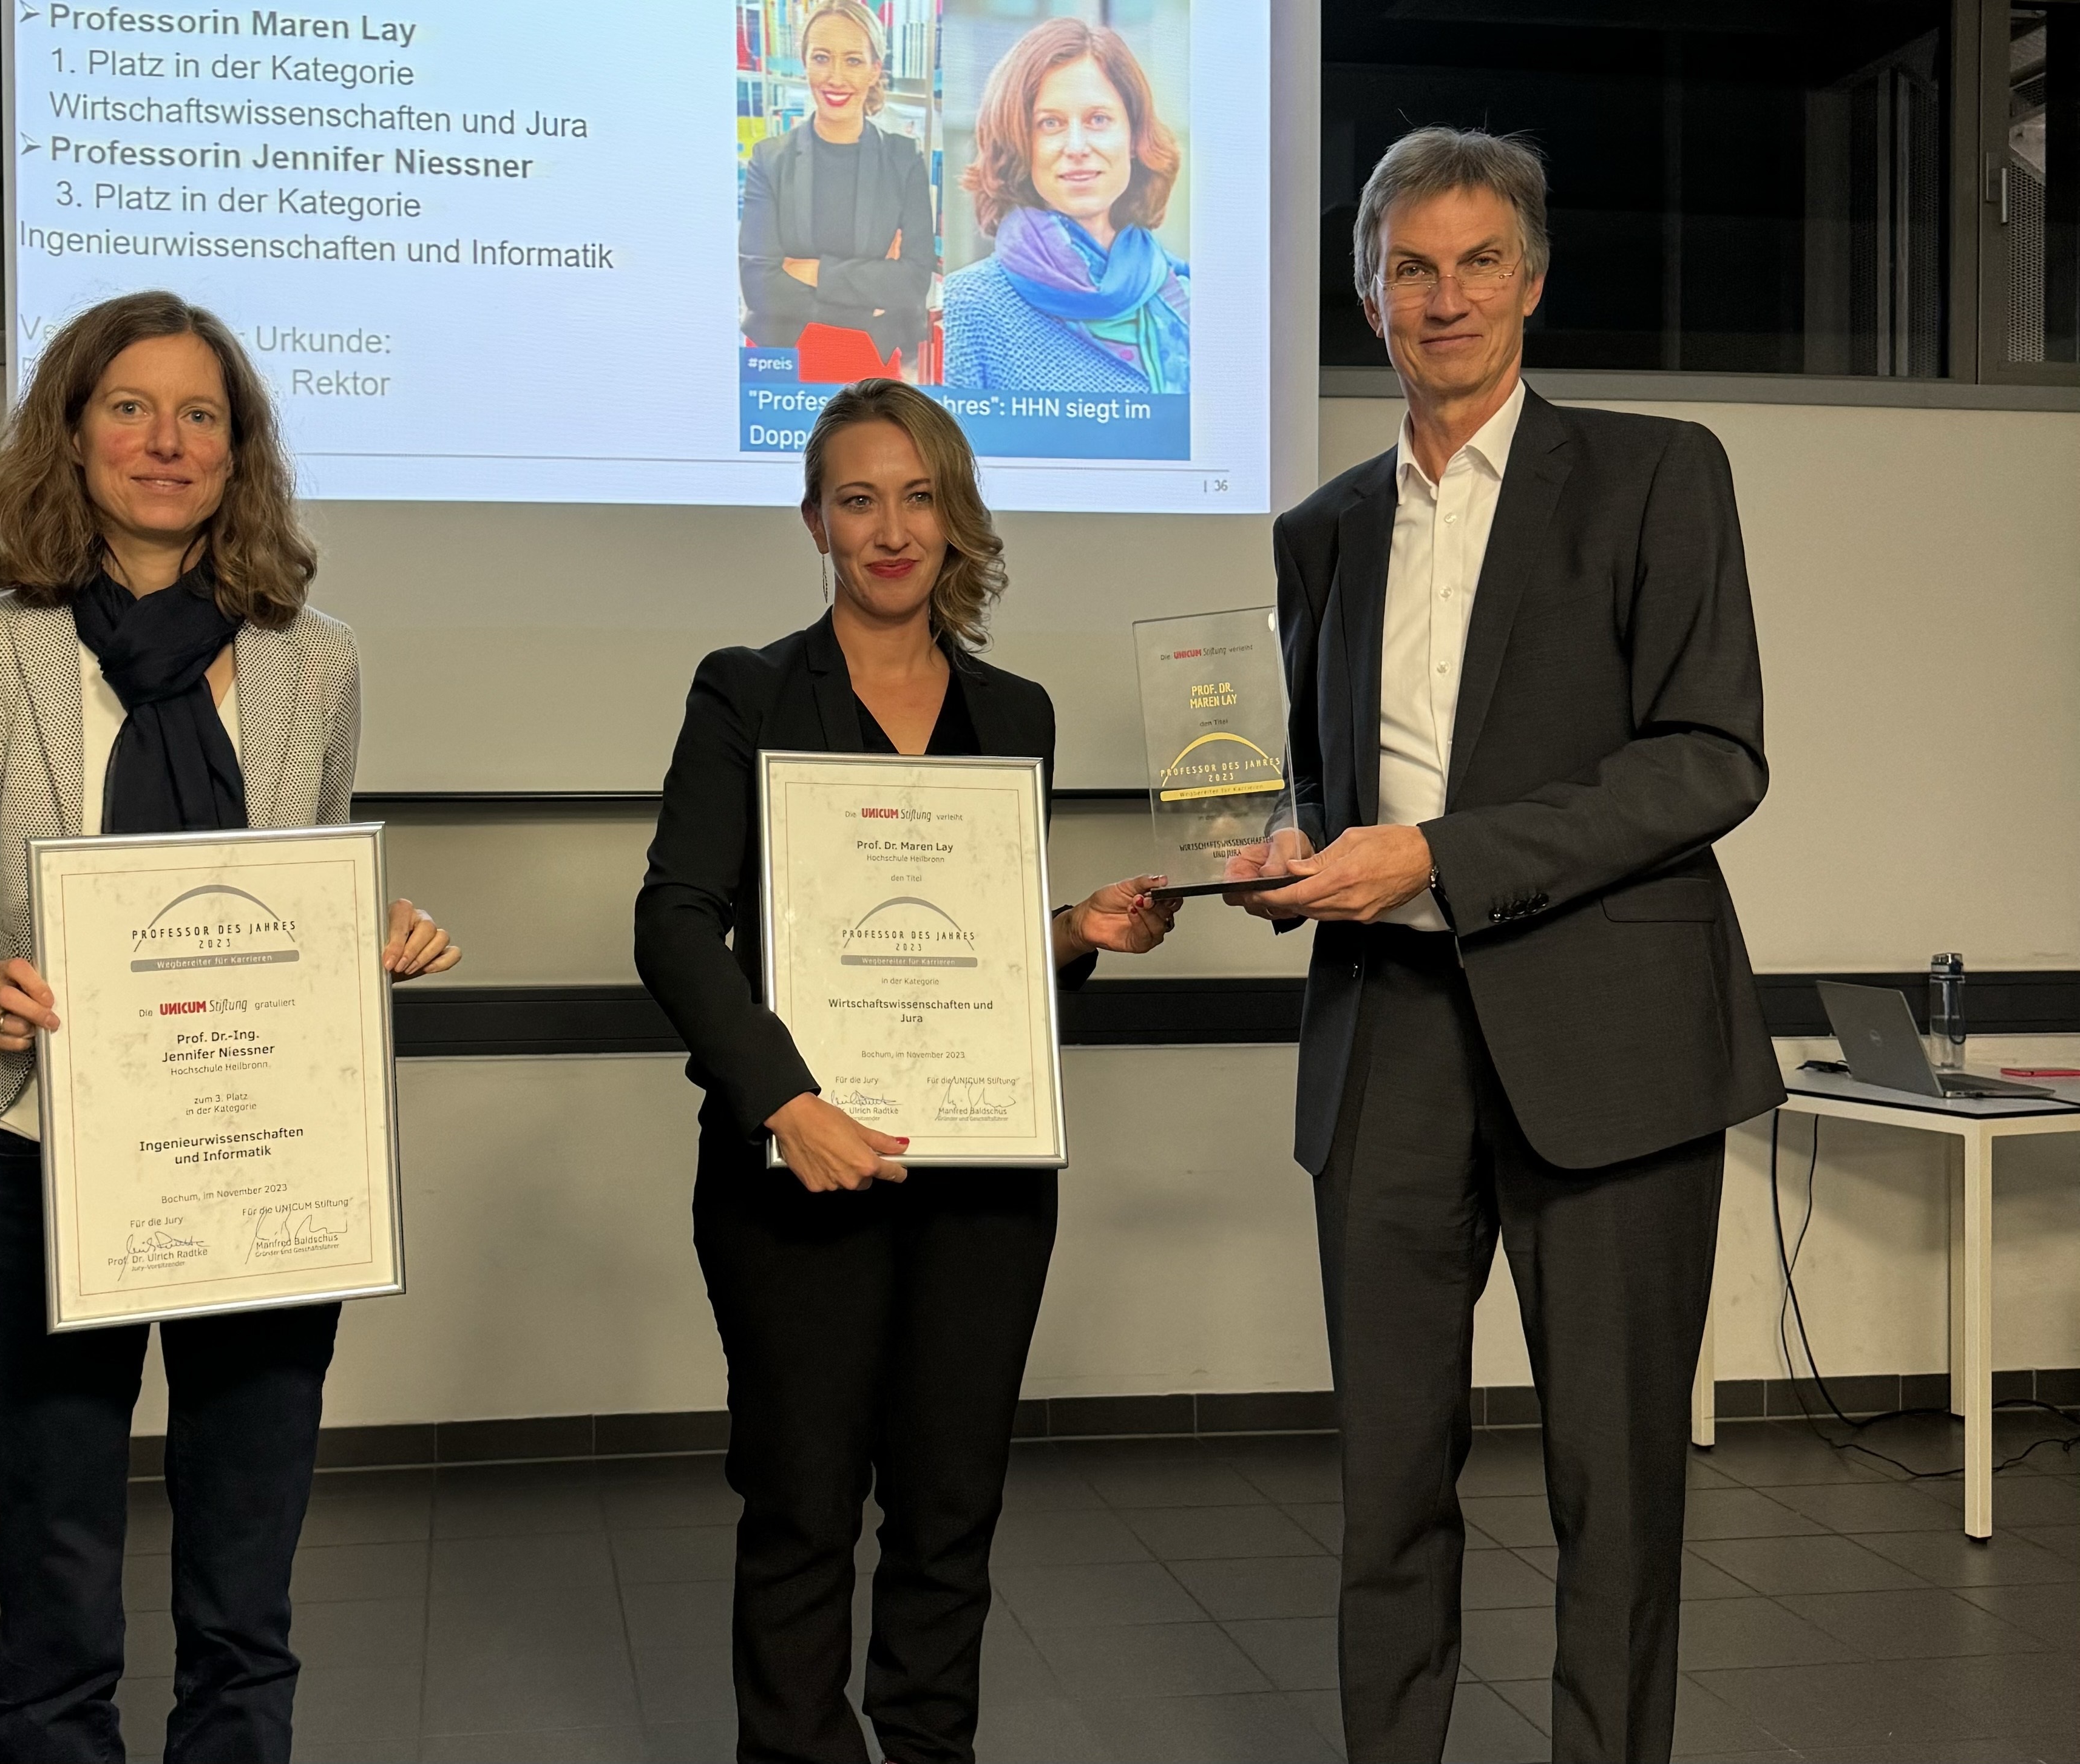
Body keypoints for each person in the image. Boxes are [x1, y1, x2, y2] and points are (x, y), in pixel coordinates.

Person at [1232, 129, 1781, 1763]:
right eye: (1410, 267)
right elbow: (1331, 784)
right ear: (1366, 297)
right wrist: (1288, 854)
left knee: (1614, 1490)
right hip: (1386, 1036)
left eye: (1478, 262)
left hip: (1611, 1042)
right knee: (1385, 1483)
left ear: (1532, 282)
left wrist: (1439, 857)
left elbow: (1707, 757)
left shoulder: (1655, 472)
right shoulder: (1320, 530)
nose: (1445, 296)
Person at [0, 289, 462, 1763]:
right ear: (73, 433)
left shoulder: (315, 660)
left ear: (237, 450)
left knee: (246, 1596)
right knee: (56, 1588)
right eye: (130, 407)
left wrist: (373, 933)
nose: (165, 440)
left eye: (200, 414)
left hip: (264, 1172)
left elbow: (307, 883)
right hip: (46, 1167)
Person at [635, 378, 1177, 1764]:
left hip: (980, 1180)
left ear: (955, 515)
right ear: (813, 520)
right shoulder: (747, 690)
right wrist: (787, 1103)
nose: (890, 530)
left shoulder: (1016, 711)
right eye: (858, 499)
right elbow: (675, 920)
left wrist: (1075, 930)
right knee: (802, 1505)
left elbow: (968, 942)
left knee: (950, 1511)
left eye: (918, 497)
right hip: (797, 1169)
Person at [941, 18, 1188, 394]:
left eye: (1098, 119)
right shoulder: (967, 309)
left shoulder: (1191, 296)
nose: (1076, 146)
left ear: (1134, 138)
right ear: (1019, 145)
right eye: (1050, 123)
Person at [739, 0, 937, 377]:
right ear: (805, 63)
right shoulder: (769, 159)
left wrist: (814, 272)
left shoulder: (903, 159)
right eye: (821, 58)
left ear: (875, 70)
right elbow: (758, 286)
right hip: (781, 355)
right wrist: (869, 293)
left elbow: (913, 283)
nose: (835, 77)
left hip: (869, 359)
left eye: (853, 60)